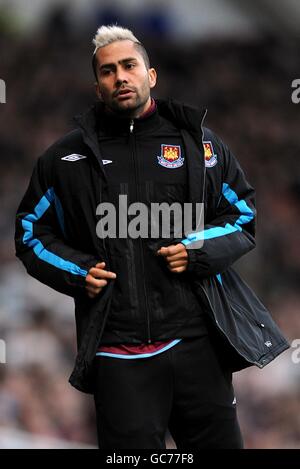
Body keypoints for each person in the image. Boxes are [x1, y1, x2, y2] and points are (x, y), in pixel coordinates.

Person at [15, 25, 289, 449]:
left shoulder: (201, 145)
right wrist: (78, 269)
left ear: (151, 75)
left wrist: (196, 249)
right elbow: (30, 232)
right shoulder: (64, 159)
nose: (120, 77)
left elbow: (242, 214)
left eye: (129, 66)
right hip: (117, 348)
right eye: (108, 72)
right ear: (97, 86)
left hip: (196, 339)